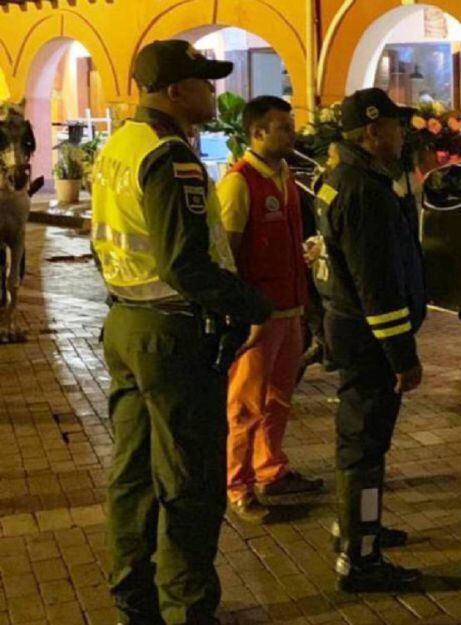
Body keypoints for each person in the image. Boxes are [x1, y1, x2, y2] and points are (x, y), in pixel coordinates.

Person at [91, 40, 272, 624]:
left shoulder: (118, 145)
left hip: (125, 321)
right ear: (175, 92)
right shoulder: (171, 157)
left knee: (133, 474)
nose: (213, 91)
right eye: (204, 81)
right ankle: (188, 608)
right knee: (190, 482)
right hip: (170, 334)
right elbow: (185, 264)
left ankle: (134, 600)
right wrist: (252, 304)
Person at [314, 88, 426, 592]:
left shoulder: (342, 180)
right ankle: (360, 559)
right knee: (365, 449)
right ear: (373, 132)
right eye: (397, 127)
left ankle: (356, 527)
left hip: (348, 330)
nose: (403, 134)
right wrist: (403, 356)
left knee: (359, 443)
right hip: (368, 340)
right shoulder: (365, 192)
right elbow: (377, 288)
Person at [216, 95, 322, 524]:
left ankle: (270, 467)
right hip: (259, 316)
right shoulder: (239, 183)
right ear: (257, 132)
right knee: (245, 403)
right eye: (283, 127)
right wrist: (241, 312)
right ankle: (237, 484)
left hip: (290, 308)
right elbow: (228, 254)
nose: (292, 133)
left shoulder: (285, 178)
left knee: (279, 397)